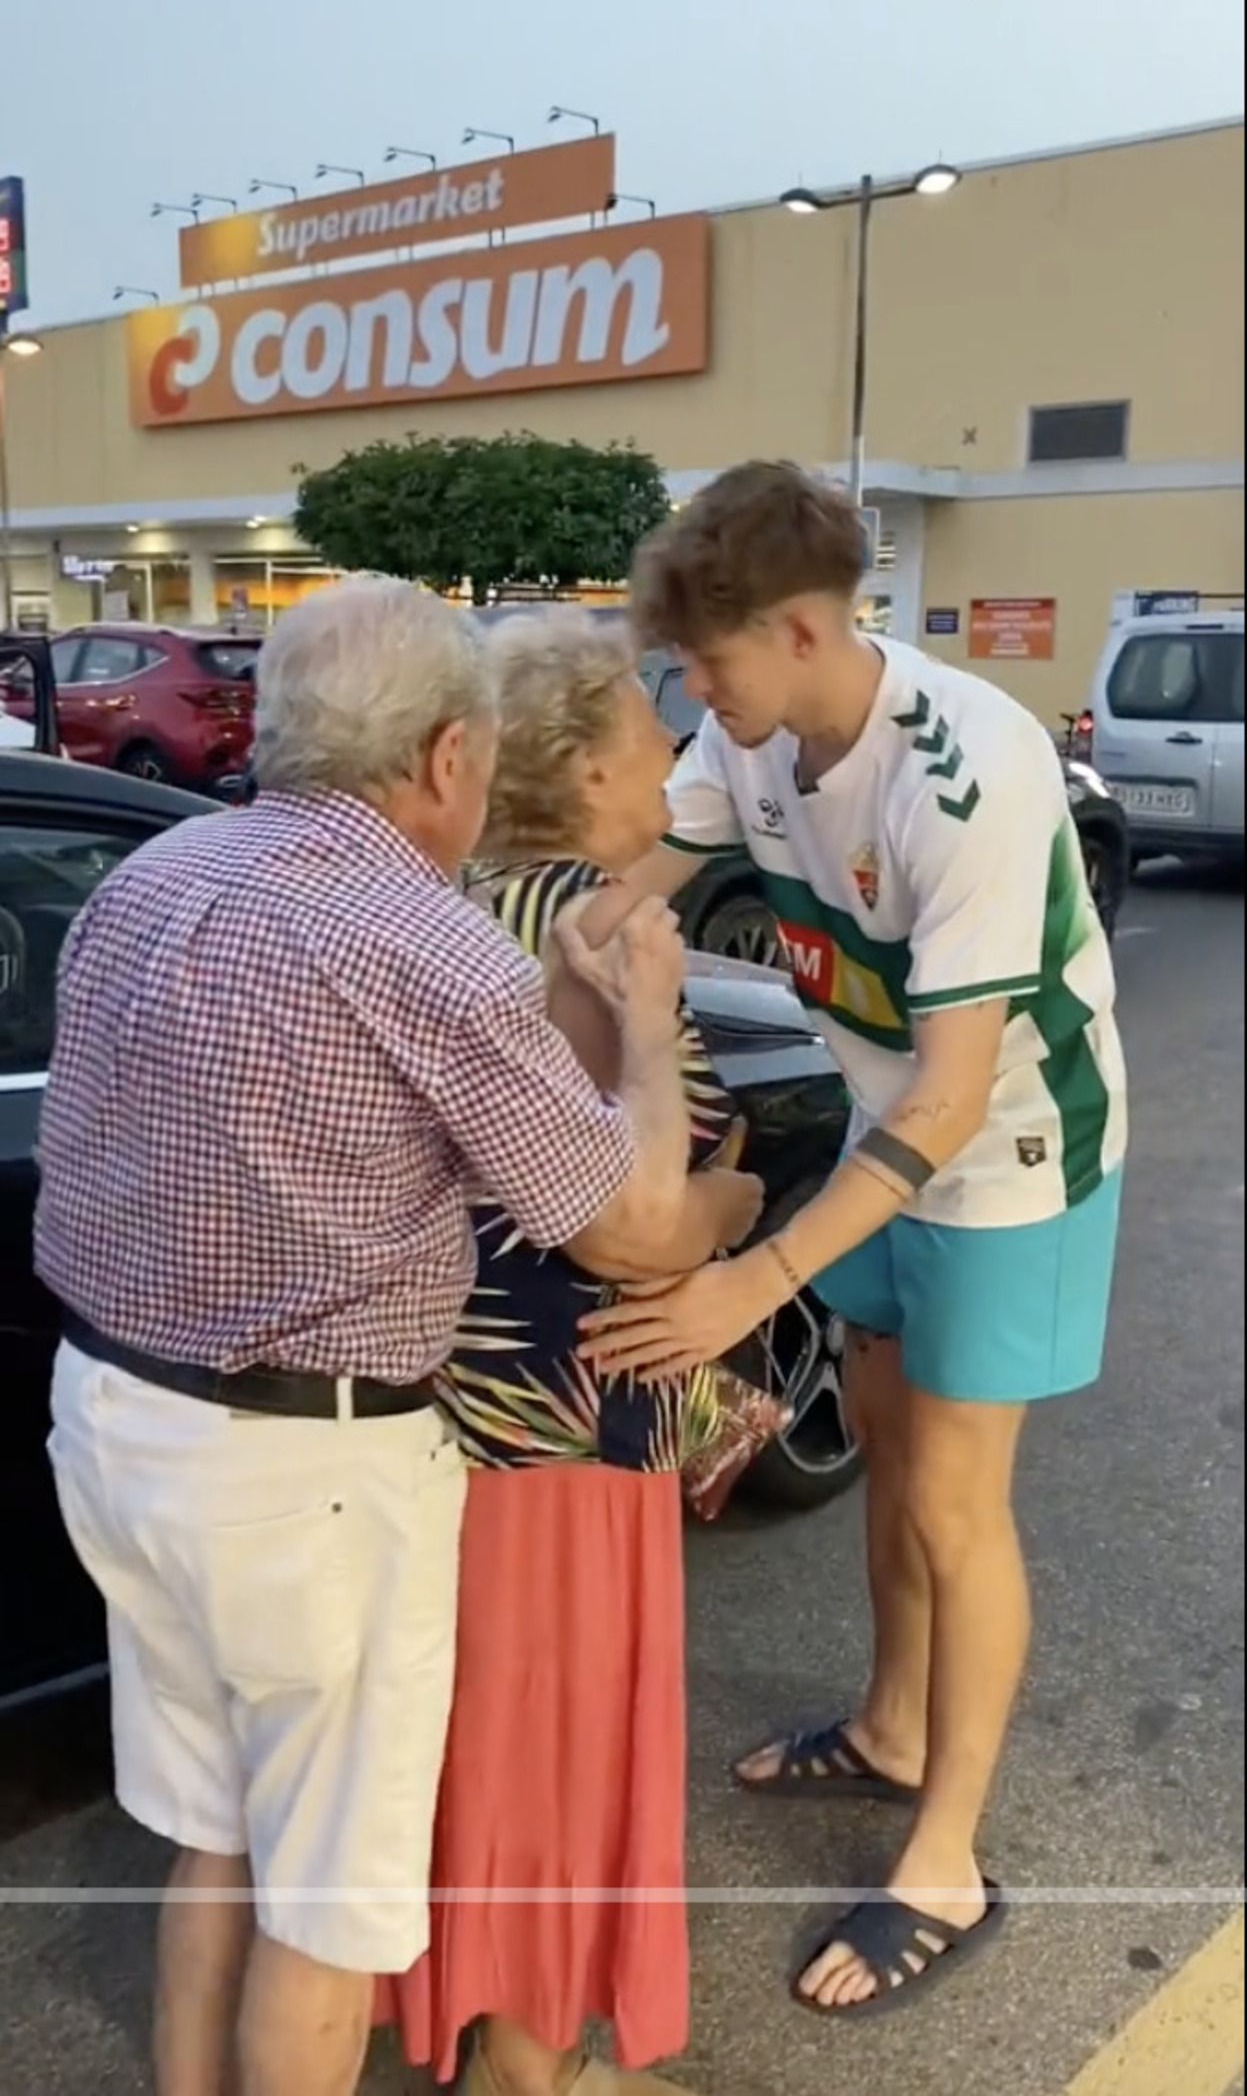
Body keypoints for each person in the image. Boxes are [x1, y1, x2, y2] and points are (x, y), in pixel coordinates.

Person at [36, 579, 696, 2096]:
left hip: (117, 1420)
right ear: (446, 757)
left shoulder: (147, 876)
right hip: (306, 1474)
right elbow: (625, 1227)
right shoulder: (422, 944)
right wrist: (646, 1030)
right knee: (325, 1918)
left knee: (214, 1846)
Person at [580, 462, 1128, 2022]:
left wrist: (756, 1274)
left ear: (808, 632)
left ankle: (943, 1858)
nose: (692, 692)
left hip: (1005, 1151)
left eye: (713, 663)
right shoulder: (750, 739)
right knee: (883, 1443)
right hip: (885, 1134)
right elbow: (629, 887)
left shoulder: (969, 772)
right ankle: (893, 1726)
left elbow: (956, 1098)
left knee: (958, 1504)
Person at [377, 609, 768, 2095]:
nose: (670, 744)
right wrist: (737, 1197)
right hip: (574, 1407)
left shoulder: (445, 907)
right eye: (642, 730)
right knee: (556, 1740)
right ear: (583, 774)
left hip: (439, 1410)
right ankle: (526, 2057)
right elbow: (638, 1226)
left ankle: (470, 2019)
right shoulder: (597, 929)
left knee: (469, 1731)